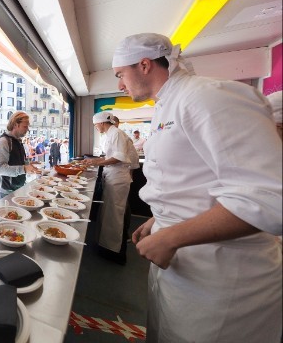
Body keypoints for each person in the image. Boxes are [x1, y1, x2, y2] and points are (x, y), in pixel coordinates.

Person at [113, 33, 282, 342]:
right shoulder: (167, 106)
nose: (120, 85)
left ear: (145, 65)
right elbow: (189, 181)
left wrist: (172, 235)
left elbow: (268, 198)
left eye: (120, 75)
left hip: (223, 275)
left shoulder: (209, 96)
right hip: (183, 265)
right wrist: (160, 218)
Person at [83, 112, 132, 265]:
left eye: (95, 125)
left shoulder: (116, 133)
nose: (96, 127)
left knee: (114, 216)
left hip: (117, 178)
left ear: (102, 122)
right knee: (109, 214)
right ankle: (107, 247)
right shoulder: (111, 134)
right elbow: (108, 156)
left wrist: (96, 163)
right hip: (112, 177)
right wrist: (94, 161)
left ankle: (115, 252)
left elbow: (118, 157)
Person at [0, 111, 41, 199]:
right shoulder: (4, 142)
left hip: (17, 188)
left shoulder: (18, 141)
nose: (28, 129)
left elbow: (17, 161)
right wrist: (24, 169)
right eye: (25, 126)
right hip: (6, 192)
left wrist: (29, 164)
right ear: (16, 125)